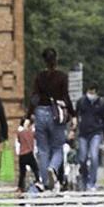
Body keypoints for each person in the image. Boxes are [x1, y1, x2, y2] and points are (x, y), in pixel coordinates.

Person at [28, 47, 72, 192]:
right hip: (56, 115)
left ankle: (45, 182)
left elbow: (34, 97)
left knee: (42, 149)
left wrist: (29, 115)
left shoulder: (39, 77)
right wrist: (73, 114)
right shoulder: (62, 76)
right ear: (56, 59)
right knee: (58, 147)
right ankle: (52, 168)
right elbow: (65, 97)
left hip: (40, 112)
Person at [75, 83, 104, 191]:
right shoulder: (81, 101)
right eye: (90, 92)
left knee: (94, 156)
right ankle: (84, 179)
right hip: (83, 133)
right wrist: (73, 129)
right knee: (82, 158)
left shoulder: (101, 103)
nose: (91, 94)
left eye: (93, 92)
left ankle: (92, 182)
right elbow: (76, 116)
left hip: (96, 132)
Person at [15, 117, 40, 194]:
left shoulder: (20, 133)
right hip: (29, 153)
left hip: (22, 154)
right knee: (35, 168)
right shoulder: (31, 132)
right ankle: (38, 181)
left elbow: (18, 141)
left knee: (22, 172)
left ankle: (20, 186)